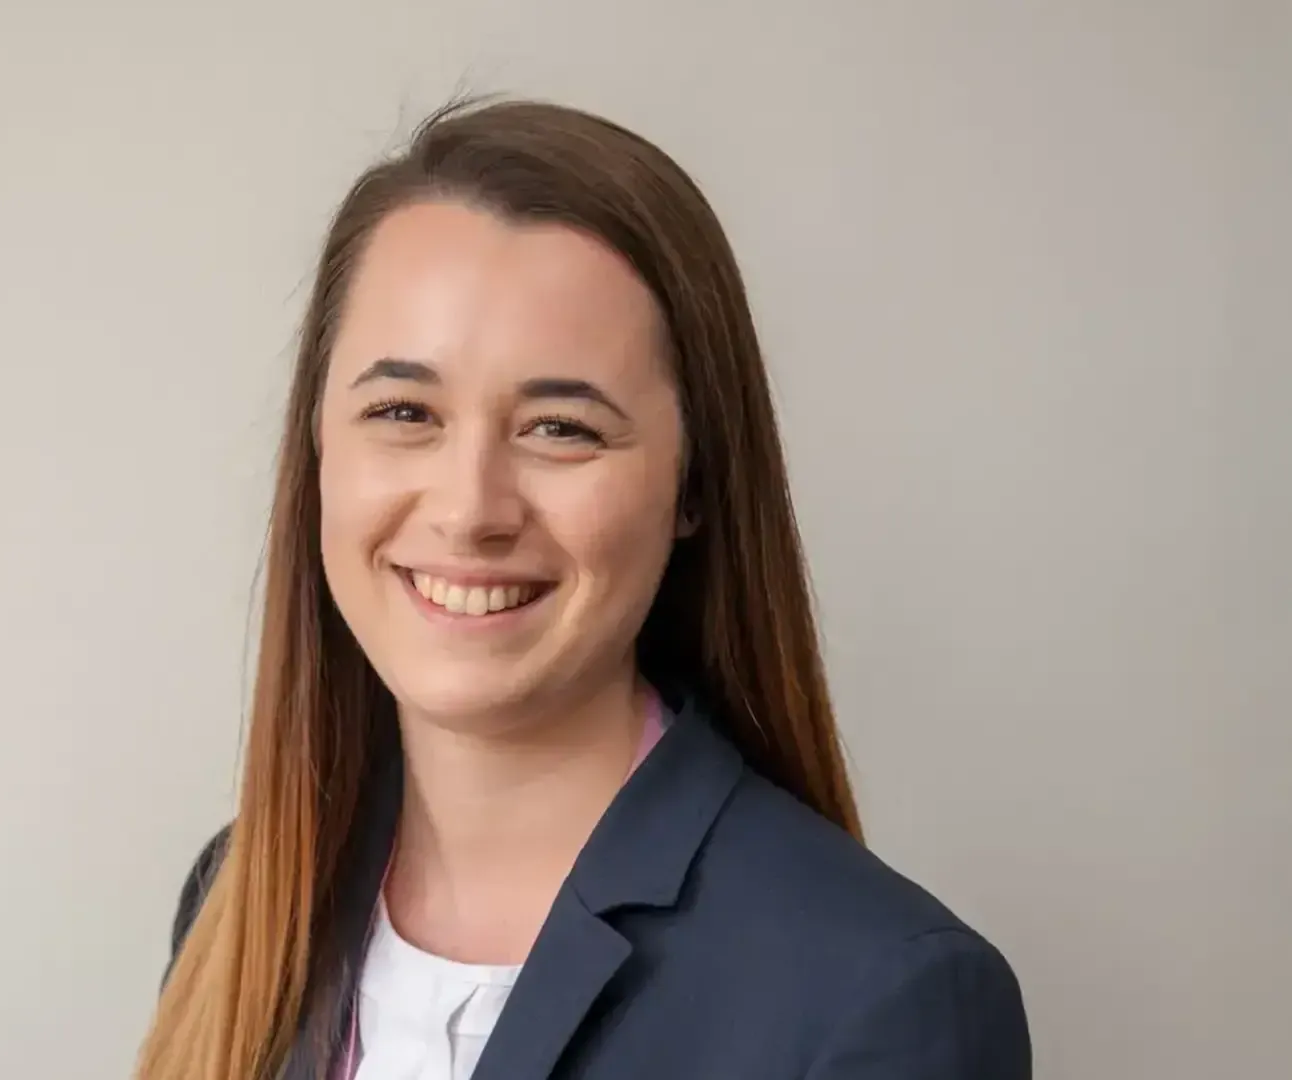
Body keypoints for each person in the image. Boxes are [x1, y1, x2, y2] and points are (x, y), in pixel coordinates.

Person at [136, 97, 1031, 1080]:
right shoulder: (243, 905)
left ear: (694, 485)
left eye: (561, 427)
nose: (470, 507)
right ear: (315, 449)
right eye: (403, 410)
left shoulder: (880, 997)